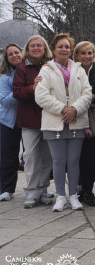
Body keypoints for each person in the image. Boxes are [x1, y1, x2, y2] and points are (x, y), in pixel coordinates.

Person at [35, 33, 92, 212]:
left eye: (67, 47)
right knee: (58, 161)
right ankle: (61, 196)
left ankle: (73, 195)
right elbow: (41, 96)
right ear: (54, 49)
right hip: (55, 122)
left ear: (71, 50)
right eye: (60, 46)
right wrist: (62, 109)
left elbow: (87, 93)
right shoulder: (46, 70)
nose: (64, 49)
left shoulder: (79, 69)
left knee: (74, 161)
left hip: (76, 121)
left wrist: (74, 109)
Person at [12, 35, 53, 208]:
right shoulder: (22, 68)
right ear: (28, 49)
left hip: (49, 118)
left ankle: (43, 191)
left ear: (45, 49)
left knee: (47, 158)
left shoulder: (51, 66)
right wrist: (32, 88)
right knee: (31, 157)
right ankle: (31, 191)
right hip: (29, 120)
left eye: (40, 45)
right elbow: (17, 92)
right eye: (33, 46)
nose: (36, 48)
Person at [73, 41, 95, 206]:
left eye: (90, 53)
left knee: (92, 158)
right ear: (77, 55)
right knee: (77, 156)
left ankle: (88, 190)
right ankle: (78, 188)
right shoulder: (71, 70)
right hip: (76, 116)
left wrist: (93, 97)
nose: (87, 56)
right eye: (83, 53)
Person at [0, 44, 23, 201]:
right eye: (10, 54)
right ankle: (7, 189)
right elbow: (5, 102)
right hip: (8, 121)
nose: (14, 55)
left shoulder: (29, 71)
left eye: (17, 52)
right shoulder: (5, 77)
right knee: (8, 155)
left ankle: (37, 188)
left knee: (33, 156)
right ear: (6, 59)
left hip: (29, 118)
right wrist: (19, 88)